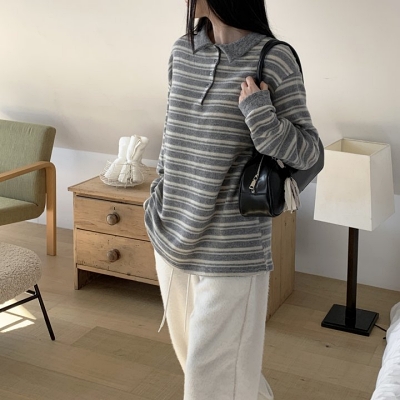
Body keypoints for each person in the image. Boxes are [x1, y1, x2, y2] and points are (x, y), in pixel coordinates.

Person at [143, 0, 320, 399]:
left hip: (231, 250)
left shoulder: (273, 59)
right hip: (170, 238)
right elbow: (172, 135)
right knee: (214, 373)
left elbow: (309, 152)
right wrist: (158, 195)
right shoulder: (183, 51)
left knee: (209, 381)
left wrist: (260, 116)